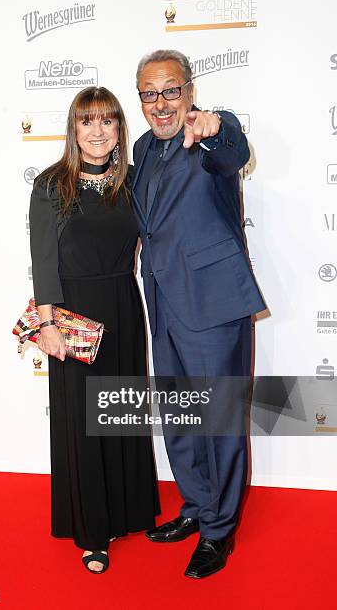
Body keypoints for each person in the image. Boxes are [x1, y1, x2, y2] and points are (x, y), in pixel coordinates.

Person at [132, 49, 266, 578]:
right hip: (163, 300)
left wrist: (214, 129)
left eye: (170, 90)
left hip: (213, 300)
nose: (161, 103)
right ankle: (196, 506)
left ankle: (220, 529)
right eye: (148, 93)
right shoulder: (140, 148)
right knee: (181, 414)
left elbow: (233, 150)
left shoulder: (213, 131)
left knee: (219, 418)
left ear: (189, 89)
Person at [29, 86, 160, 574]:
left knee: (121, 411)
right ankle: (94, 532)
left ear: (120, 130)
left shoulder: (130, 183)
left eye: (108, 121)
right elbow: (43, 260)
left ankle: (128, 510)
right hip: (72, 315)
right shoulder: (50, 185)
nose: (98, 131)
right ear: (74, 129)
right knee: (84, 421)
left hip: (124, 306)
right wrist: (47, 325)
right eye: (88, 121)